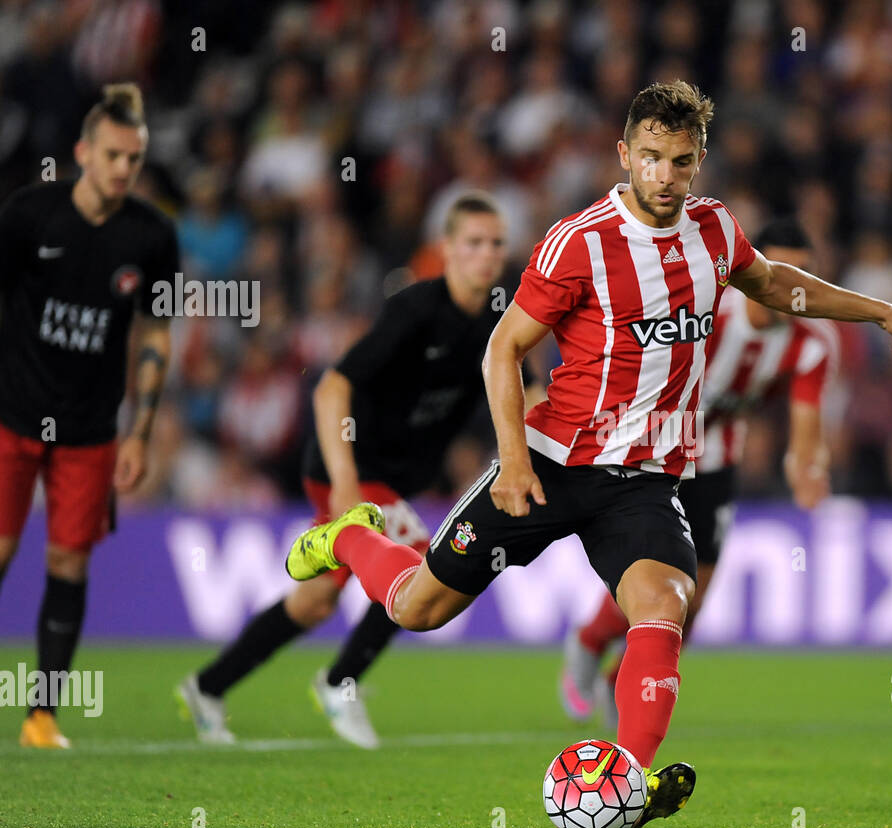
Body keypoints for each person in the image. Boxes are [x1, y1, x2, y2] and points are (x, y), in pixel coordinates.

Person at [283, 80, 892, 828]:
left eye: (682, 161)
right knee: (417, 608)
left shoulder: (716, 230)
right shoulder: (579, 243)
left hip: (645, 480)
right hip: (553, 461)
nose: (666, 176)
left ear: (699, 163)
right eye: (653, 158)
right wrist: (514, 459)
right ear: (625, 153)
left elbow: (775, 286)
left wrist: (884, 309)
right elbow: (504, 349)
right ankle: (347, 534)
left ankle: (626, 781)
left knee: (666, 605)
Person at [177, 193, 517, 747]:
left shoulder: (498, 322)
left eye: (496, 243)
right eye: (474, 243)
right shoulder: (415, 310)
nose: (487, 254)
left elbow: (513, 389)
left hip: (388, 474)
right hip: (347, 466)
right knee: (422, 560)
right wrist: (346, 487)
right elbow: (333, 387)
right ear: (447, 249)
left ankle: (207, 686)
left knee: (314, 602)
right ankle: (340, 682)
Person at [558, 218, 837, 724]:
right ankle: (589, 639)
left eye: (805, 274)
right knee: (651, 576)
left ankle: (614, 679)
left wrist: (806, 463)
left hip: (719, 460)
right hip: (659, 452)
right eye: (783, 270)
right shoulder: (711, 309)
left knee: (694, 600)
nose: (791, 288)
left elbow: (805, 424)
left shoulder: (811, 345)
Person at [0, 83, 178, 748]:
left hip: (91, 430)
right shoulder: (27, 217)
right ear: (82, 152)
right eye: (113, 155)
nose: (124, 169)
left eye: (134, 158)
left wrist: (140, 429)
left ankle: (41, 717)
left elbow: (157, 331)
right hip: (12, 415)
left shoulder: (152, 236)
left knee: (68, 562)